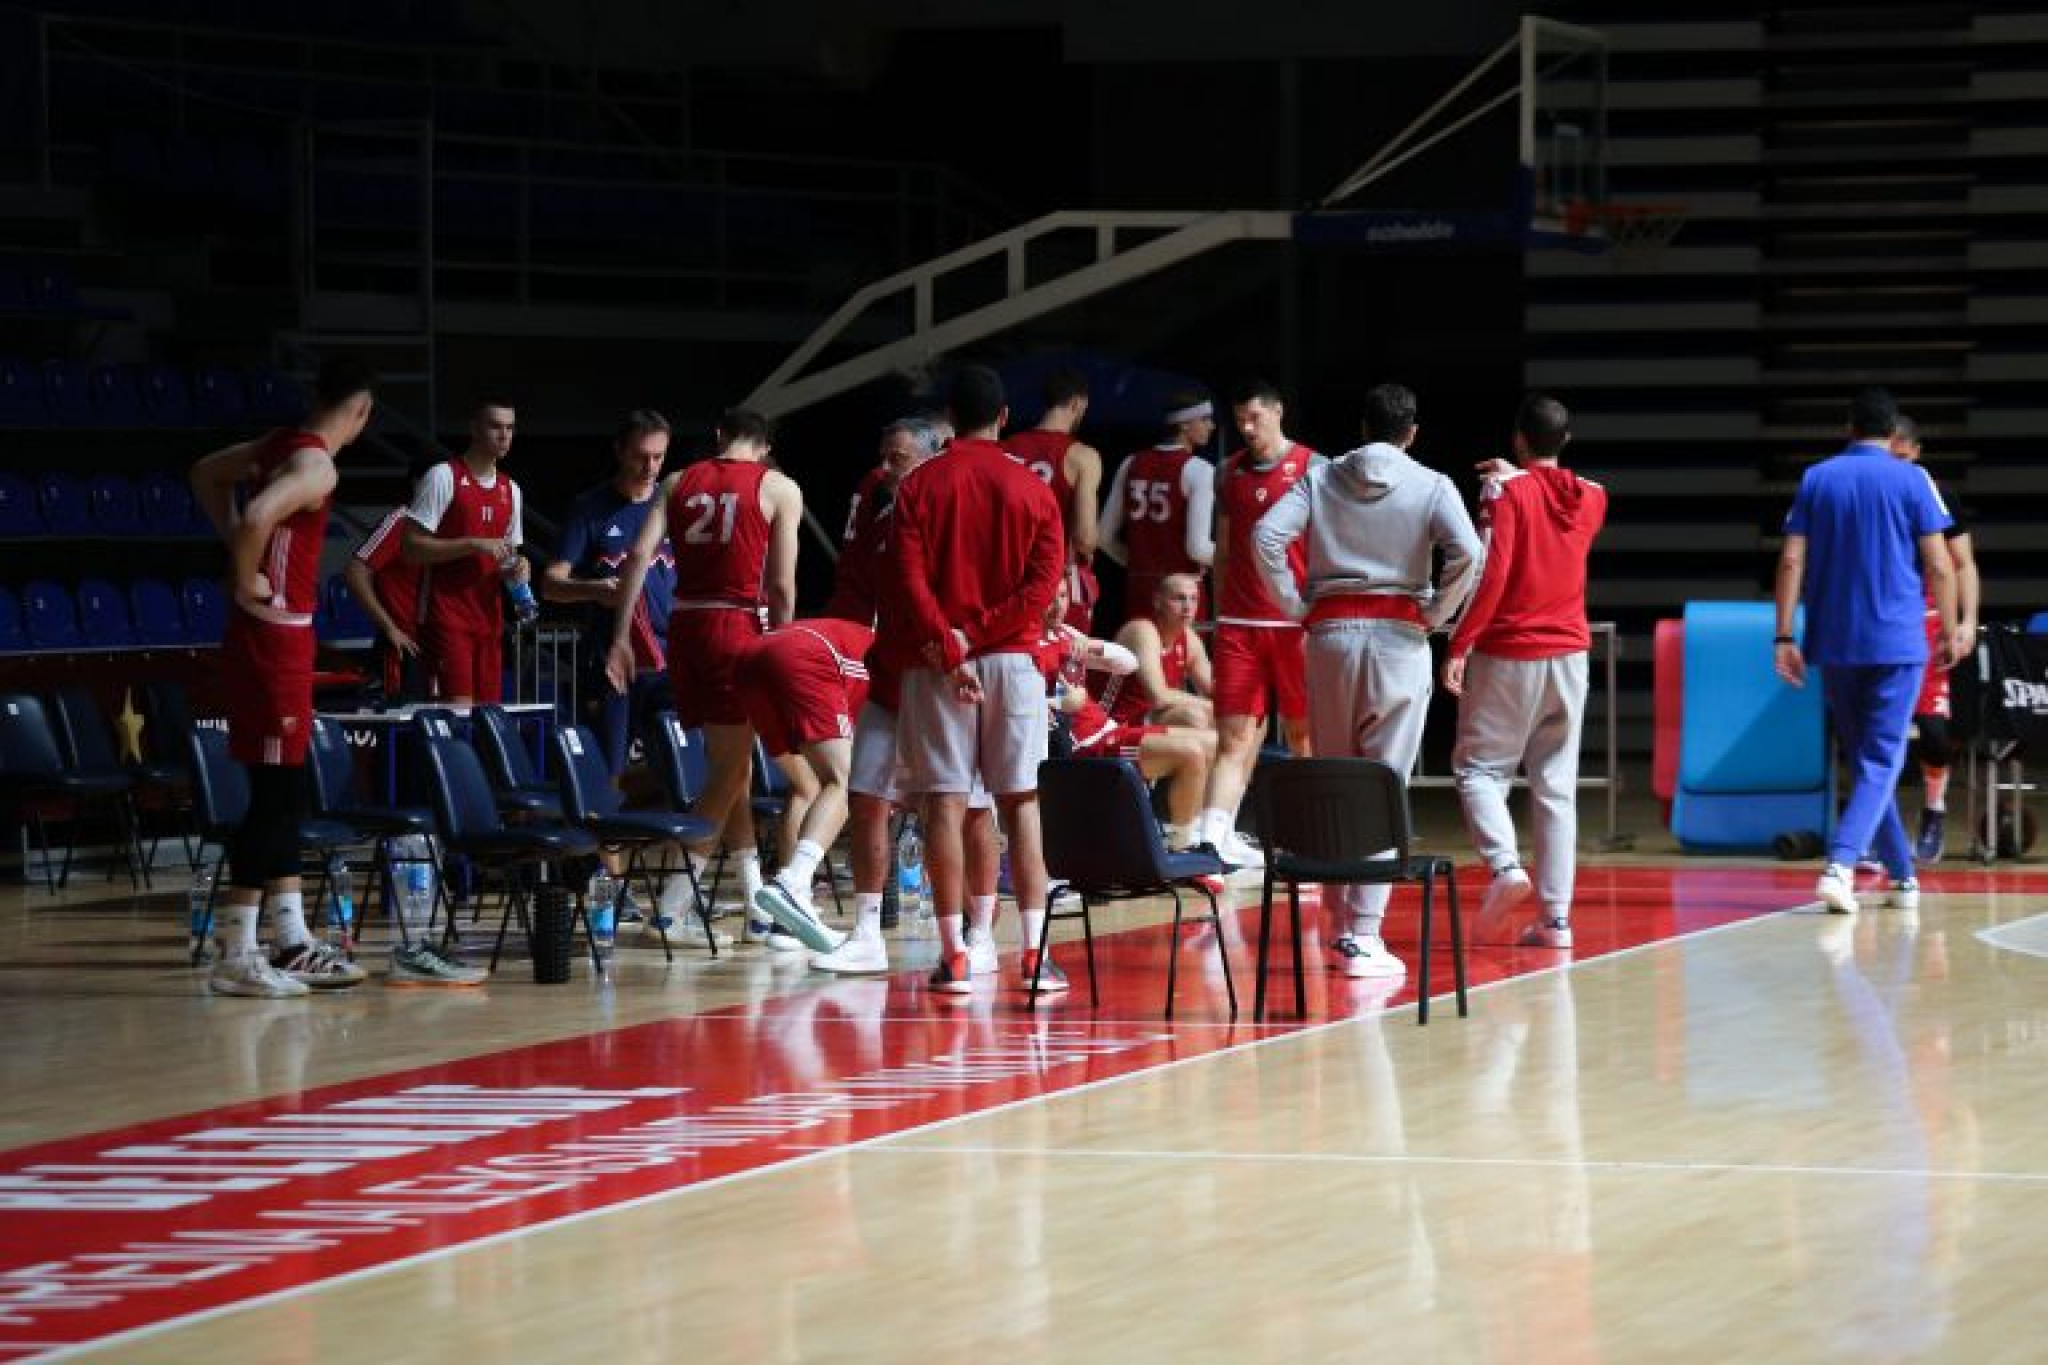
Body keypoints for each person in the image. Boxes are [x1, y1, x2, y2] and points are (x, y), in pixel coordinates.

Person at [1253, 381, 1481, 977]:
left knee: (1336, 777)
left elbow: (1265, 536)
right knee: (1383, 783)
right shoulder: (1431, 483)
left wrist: (1293, 603)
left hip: (1329, 640)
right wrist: (1437, 614)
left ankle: (1337, 912)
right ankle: (1363, 933)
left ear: (1362, 427)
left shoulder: (1321, 477)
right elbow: (1469, 554)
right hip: (1399, 641)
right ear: (1411, 433)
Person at [188, 357, 380, 996]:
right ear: (361, 412)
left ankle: (292, 938)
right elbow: (254, 517)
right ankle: (237, 953)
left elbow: (206, 475)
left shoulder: (279, 445)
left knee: (287, 792)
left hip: (276, 638)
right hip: (273, 637)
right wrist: (244, 574)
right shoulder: (317, 464)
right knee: (274, 797)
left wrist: (239, 554)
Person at [883, 364, 1065, 995]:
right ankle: (1036, 956)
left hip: (940, 664)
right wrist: (981, 633)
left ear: (947, 421)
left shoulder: (919, 486)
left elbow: (908, 582)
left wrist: (951, 640)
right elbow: (1041, 589)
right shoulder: (1034, 489)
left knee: (945, 802)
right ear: (1005, 417)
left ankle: (955, 953)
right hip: (1013, 660)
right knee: (1021, 801)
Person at [808, 417, 1008, 979]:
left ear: (930, 457)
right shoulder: (878, 508)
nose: (885, 467)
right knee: (865, 795)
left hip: (946, 679)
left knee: (970, 808)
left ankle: (981, 933)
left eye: (897, 457)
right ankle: (868, 932)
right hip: (892, 676)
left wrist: (954, 656)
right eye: (883, 455)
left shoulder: (952, 513)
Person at [606, 408, 802, 928]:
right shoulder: (779, 487)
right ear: (764, 447)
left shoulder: (676, 480)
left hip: (683, 628)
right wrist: (783, 648)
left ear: (718, 436)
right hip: (735, 625)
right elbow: (782, 586)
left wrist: (621, 638)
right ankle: (673, 903)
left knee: (728, 766)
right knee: (734, 768)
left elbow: (638, 557)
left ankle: (755, 894)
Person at [1774, 386, 1957, 915]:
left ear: (1848, 428)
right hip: (1898, 639)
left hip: (1833, 638)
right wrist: (1948, 626)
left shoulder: (1818, 478)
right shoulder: (1913, 478)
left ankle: (1902, 876)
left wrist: (1784, 634)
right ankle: (1841, 864)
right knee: (1879, 759)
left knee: (1867, 760)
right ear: (1894, 434)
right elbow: (1941, 563)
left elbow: (1791, 561)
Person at [1444, 394, 1608, 950]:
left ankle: (1503, 866)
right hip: (1571, 655)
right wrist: (1515, 478)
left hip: (1509, 651)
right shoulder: (1594, 497)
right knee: (1556, 786)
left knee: (1479, 770)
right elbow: (1555, 495)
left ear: (1518, 439)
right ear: (1565, 440)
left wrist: (1460, 644)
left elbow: (1495, 574)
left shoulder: (1504, 492)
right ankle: (1556, 920)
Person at [1195, 378, 1320, 867]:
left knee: (1303, 737)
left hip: (1294, 625)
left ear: (1278, 412)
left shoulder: (1313, 468)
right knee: (1233, 738)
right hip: (1241, 625)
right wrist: (1223, 612)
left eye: (1255, 418)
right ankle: (1212, 843)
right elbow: (1224, 551)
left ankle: (1311, 836)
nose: (1247, 428)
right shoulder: (1227, 473)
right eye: (1240, 420)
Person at [542, 409, 676, 778]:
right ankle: (605, 832)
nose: (650, 466)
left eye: (659, 457)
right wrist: (593, 590)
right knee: (610, 765)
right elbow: (551, 585)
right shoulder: (590, 508)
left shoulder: (674, 504)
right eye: (640, 456)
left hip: (671, 654)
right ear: (619, 451)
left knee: (679, 763)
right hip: (615, 655)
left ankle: (672, 835)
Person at [1040, 580, 1217, 847]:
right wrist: (1061, 704)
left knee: (1214, 742)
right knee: (1191, 752)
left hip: (1109, 730)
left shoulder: (1067, 634)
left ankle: (1207, 834)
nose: (1058, 605)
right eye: (1050, 598)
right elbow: (1021, 705)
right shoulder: (1026, 644)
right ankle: (1178, 843)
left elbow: (1127, 663)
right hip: (1088, 749)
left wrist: (1093, 646)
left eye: (1064, 596)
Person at [736, 615, 876, 951]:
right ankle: (793, 881)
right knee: (846, 781)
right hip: (802, 657)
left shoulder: (872, 642)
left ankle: (786, 920)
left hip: (755, 657)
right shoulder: (901, 667)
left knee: (807, 786)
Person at [1890, 415, 1978, 864]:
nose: (1899, 467)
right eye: (1891, 458)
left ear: (1918, 454)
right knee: (1874, 733)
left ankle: (1934, 812)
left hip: (1929, 622)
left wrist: (1964, 620)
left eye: (1905, 458)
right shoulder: (1873, 497)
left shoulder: (1938, 496)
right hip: (1883, 623)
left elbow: (1960, 564)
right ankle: (1875, 829)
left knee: (1936, 735)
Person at [402, 399, 529, 705]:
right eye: (495, 426)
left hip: (490, 621)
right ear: (473, 428)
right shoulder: (442, 476)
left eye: (510, 428)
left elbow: (507, 558)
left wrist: (518, 568)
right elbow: (410, 547)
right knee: (458, 716)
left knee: (488, 719)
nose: (504, 435)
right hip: (446, 616)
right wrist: (471, 543)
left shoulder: (511, 489)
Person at [1100, 390, 1217, 621]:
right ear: (1184, 425)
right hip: (1183, 593)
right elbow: (1197, 548)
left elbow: (1103, 537)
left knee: (1140, 654)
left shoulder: (1131, 463)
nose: (1211, 426)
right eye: (1205, 419)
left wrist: (1138, 564)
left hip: (1139, 590)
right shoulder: (1200, 470)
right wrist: (1233, 557)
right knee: (1185, 657)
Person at [1006, 367, 1105, 633]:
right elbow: (1085, 537)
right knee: (1063, 667)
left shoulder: (1005, 449)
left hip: (1008, 581)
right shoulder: (1083, 456)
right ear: (1077, 403)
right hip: (1056, 581)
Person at [1100, 570, 1214, 730]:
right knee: (1193, 717)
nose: (1188, 606)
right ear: (1157, 601)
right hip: (1115, 724)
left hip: (1150, 719)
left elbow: (1216, 690)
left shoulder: (1189, 638)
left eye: (1194, 599)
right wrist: (1211, 706)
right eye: (1179, 598)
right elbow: (1159, 697)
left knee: (1246, 718)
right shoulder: (1142, 630)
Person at [343, 505, 425, 704]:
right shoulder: (401, 522)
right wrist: (390, 628)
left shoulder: (454, 524)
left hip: (443, 643)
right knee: (407, 729)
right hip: (405, 647)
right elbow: (355, 573)